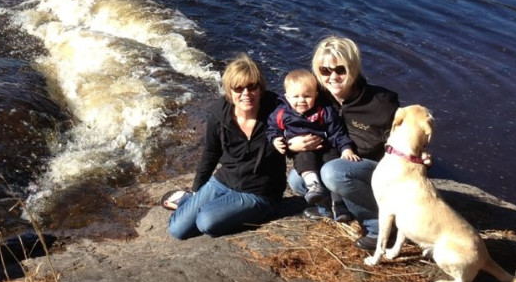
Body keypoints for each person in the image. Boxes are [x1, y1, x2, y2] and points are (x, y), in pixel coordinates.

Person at [286, 36, 400, 250]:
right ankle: (332, 208)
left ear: (354, 68)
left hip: (372, 170)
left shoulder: (382, 103)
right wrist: (292, 145)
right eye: (325, 71)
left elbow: (406, 136)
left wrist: (420, 154)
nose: (333, 77)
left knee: (332, 173)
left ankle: (380, 228)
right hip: (335, 162)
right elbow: (286, 119)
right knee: (297, 179)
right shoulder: (316, 97)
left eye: (340, 69)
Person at [161, 53, 286, 239]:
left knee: (206, 222)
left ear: (260, 88)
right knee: (178, 230)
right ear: (229, 91)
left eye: (252, 86)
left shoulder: (277, 113)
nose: (246, 94)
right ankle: (191, 199)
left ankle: (212, 207)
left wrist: (295, 145)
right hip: (224, 182)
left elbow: (300, 131)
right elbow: (211, 154)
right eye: (238, 88)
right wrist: (197, 190)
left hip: (259, 192)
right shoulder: (220, 115)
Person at [267, 69, 359, 216]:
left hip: (327, 147)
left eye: (307, 96)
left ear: (315, 95)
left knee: (332, 165)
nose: (301, 100)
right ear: (287, 97)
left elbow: (337, 132)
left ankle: (339, 205)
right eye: (296, 96)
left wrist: (346, 148)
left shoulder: (323, 111)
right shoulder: (281, 113)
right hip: (304, 151)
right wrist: (276, 140)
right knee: (304, 158)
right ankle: (314, 187)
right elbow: (272, 129)